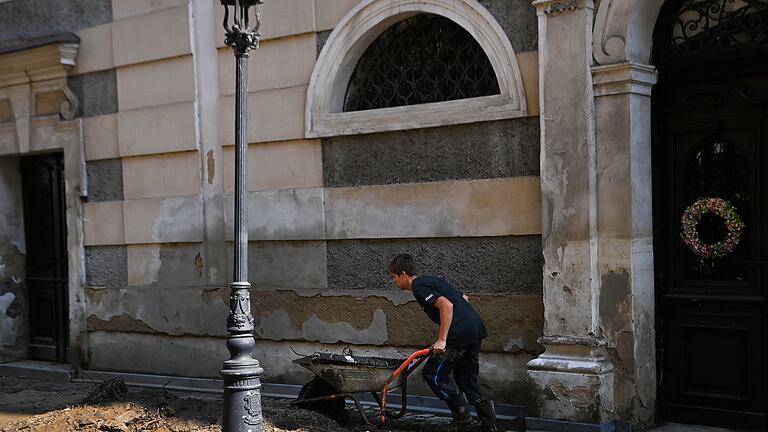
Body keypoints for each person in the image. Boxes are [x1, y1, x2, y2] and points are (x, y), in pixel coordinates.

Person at [388, 253, 497, 432]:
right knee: (466, 378)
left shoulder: (419, 287)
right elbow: (463, 298)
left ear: (404, 274)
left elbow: (447, 305)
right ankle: (489, 423)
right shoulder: (432, 280)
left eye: (393, 277)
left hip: (459, 334)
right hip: (474, 329)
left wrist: (442, 339)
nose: (394, 282)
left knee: (433, 375)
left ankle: (462, 418)